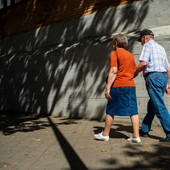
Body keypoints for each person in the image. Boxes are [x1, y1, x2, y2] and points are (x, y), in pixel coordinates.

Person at [94, 34, 141, 143]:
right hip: (130, 86)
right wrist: (128, 76)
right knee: (133, 110)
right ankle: (136, 136)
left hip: (118, 86)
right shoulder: (130, 55)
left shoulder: (114, 53)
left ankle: (105, 134)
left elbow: (114, 71)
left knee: (110, 110)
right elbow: (135, 71)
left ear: (115, 43)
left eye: (112, 43)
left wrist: (107, 87)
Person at [134, 29, 170, 141]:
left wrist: (134, 73)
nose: (141, 43)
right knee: (153, 105)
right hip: (163, 77)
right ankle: (145, 129)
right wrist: (168, 83)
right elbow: (168, 68)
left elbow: (143, 63)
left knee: (158, 105)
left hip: (154, 77)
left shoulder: (147, 46)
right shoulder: (161, 48)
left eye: (141, 40)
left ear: (145, 37)